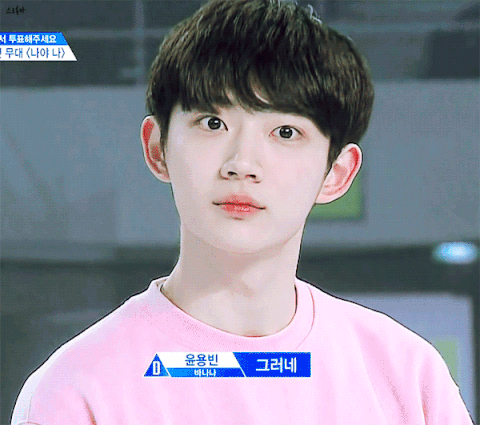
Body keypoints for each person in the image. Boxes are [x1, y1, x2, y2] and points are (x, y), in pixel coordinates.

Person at [11, 0, 474, 423]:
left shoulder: (407, 376)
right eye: (213, 123)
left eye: (286, 133)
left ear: (336, 173)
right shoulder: (77, 389)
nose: (242, 164)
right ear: (157, 148)